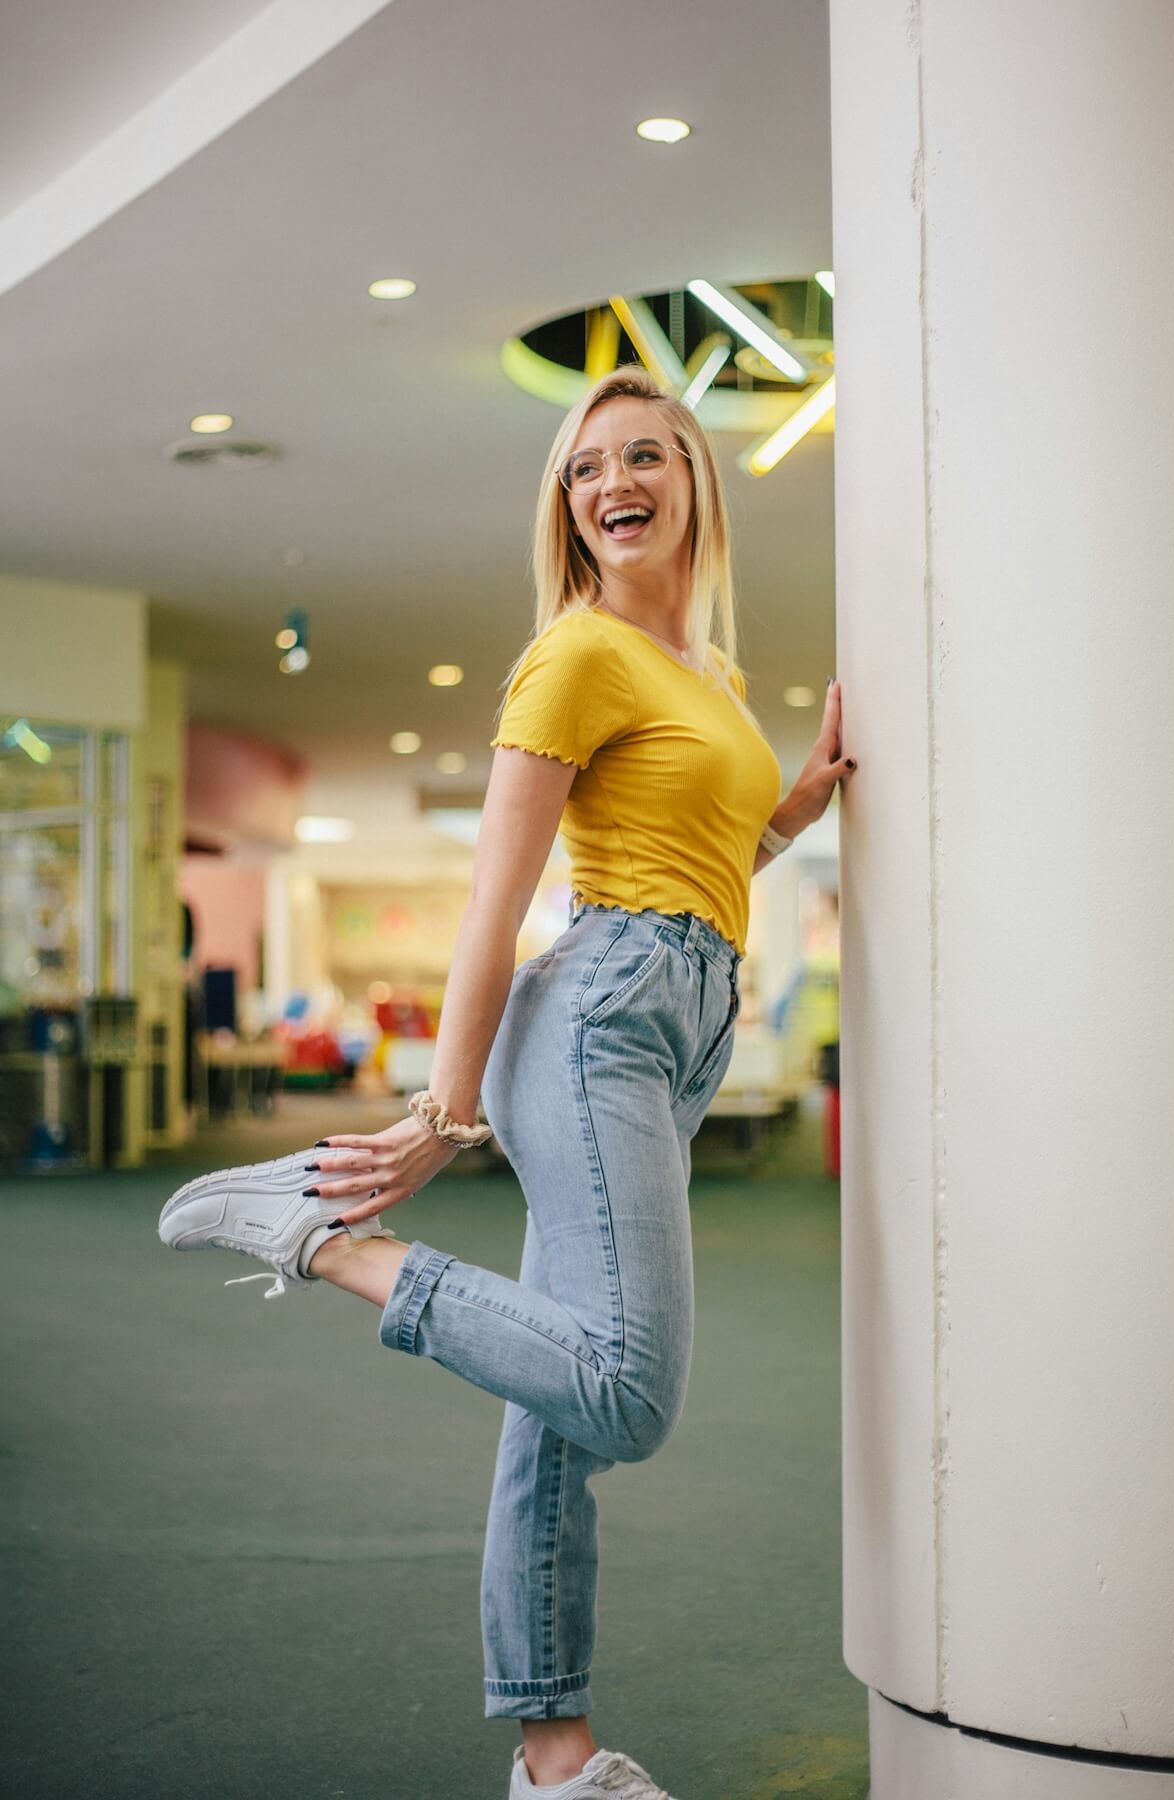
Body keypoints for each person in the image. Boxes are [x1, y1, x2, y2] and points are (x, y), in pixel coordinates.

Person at [159, 364, 856, 1799]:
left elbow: (703, 869)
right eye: (589, 466)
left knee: (554, 1423)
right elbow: (496, 908)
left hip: (674, 1027)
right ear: (569, 505)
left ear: (694, 485)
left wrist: (792, 806)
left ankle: (554, 1756)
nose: (616, 483)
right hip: (599, 1020)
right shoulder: (575, 656)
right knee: (627, 1392)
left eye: (647, 456)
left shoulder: (702, 672)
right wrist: (438, 1113)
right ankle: (326, 1239)